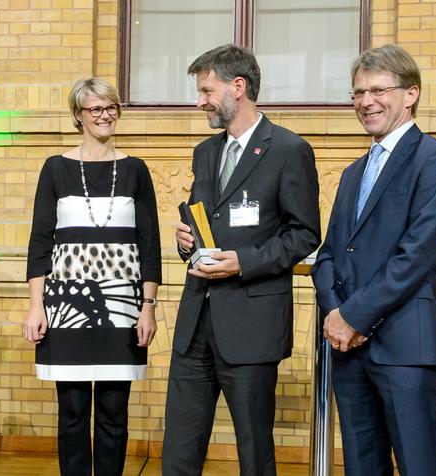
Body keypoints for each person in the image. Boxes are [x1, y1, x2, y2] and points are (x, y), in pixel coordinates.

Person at [162, 44, 321, 476]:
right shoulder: (205, 152)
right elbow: (203, 226)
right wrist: (185, 243)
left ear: (239, 86)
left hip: (251, 328)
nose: (200, 102)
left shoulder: (289, 150)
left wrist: (243, 262)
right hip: (196, 325)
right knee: (178, 450)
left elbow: (304, 236)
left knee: (254, 452)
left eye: (207, 91)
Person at [311, 44, 436, 475]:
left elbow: (414, 256)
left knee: (417, 466)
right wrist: (335, 313)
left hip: (405, 348)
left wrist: (353, 317)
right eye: (358, 93)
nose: (365, 102)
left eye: (378, 90)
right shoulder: (353, 171)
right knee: (362, 467)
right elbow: (328, 256)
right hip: (349, 351)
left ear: (410, 93)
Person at [23, 77, 161, 476]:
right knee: (72, 414)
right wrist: (36, 307)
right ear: (78, 116)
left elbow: (149, 246)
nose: (105, 116)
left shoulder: (136, 170)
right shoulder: (55, 169)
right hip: (66, 308)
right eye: (96, 109)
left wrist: (147, 309)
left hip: (124, 309)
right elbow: (40, 243)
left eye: (111, 107)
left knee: (114, 415)